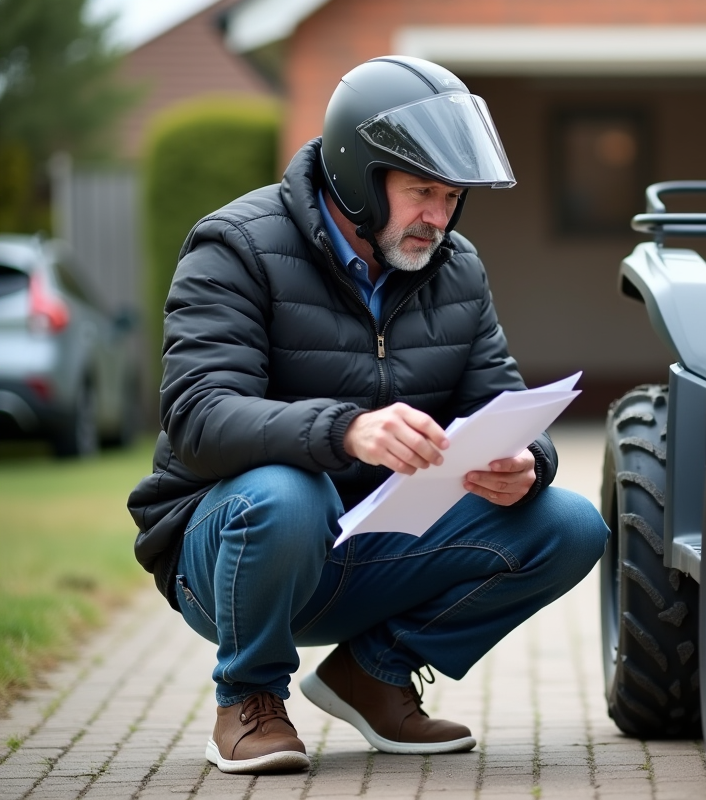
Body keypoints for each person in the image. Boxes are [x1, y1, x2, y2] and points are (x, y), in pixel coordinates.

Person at [127, 56, 609, 775]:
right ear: (358, 174)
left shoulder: (457, 267)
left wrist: (525, 462)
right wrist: (345, 429)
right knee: (288, 491)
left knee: (570, 526)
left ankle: (373, 676)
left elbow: (502, 403)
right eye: (422, 192)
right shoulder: (235, 245)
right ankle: (249, 699)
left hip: (377, 542)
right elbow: (198, 415)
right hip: (229, 550)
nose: (439, 218)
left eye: (451, 197)